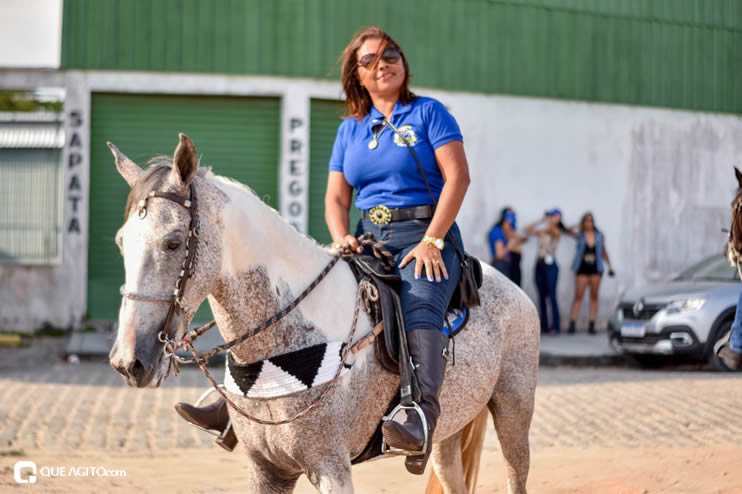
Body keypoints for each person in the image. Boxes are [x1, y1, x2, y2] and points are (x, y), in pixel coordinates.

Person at [322, 25, 470, 474]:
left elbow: (458, 179)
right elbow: (336, 198)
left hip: (426, 234)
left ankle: (420, 414)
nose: (381, 63)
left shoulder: (430, 113)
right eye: (369, 60)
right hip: (368, 239)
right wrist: (340, 235)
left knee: (419, 302)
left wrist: (433, 240)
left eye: (390, 54)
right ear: (358, 75)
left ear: (403, 64)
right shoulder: (350, 130)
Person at [566, 212, 615, 334]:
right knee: (579, 295)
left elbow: (603, 251)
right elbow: (568, 230)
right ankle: (572, 322)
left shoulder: (599, 235)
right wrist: (579, 225)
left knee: (594, 296)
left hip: (595, 268)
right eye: (586, 220)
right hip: (582, 268)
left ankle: (592, 323)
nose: (589, 223)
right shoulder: (580, 235)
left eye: (590, 220)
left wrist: (609, 267)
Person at [525, 209, 565, 334]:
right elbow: (527, 229)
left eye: (554, 216)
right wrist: (541, 220)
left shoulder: (556, 230)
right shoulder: (544, 229)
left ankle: (556, 326)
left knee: (552, 296)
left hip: (550, 265)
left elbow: (553, 230)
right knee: (541, 296)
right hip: (540, 263)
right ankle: (544, 326)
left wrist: (552, 221)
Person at [488, 207, 527, 286]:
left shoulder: (504, 231)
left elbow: (517, 237)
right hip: (501, 265)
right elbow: (499, 254)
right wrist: (510, 246)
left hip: (505, 265)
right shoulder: (497, 231)